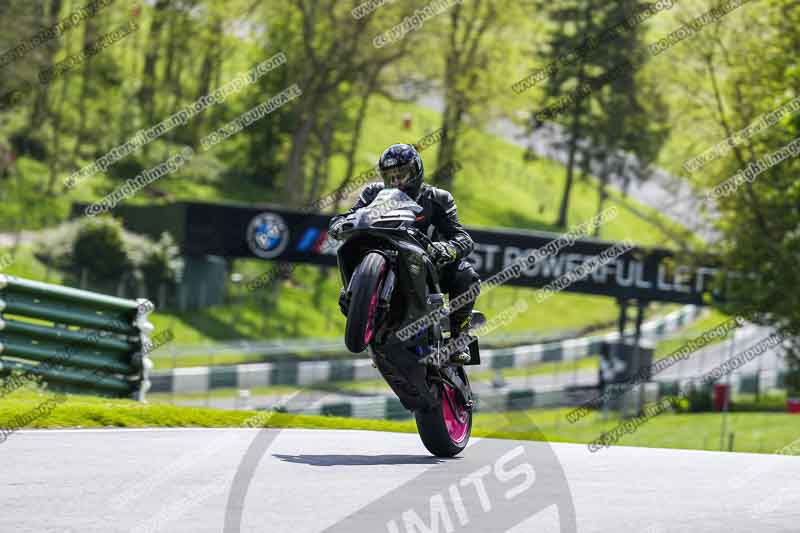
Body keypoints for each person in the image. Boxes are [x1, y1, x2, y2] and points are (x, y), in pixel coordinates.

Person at [329, 143, 479, 364]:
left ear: (416, 171)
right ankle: (367, 312)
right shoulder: (372, 193)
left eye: (402, 174)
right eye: (390, 176)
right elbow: (349, 214)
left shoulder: (437, 198)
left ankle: (459, 341)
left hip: (428, 265)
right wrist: (340, 223)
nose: (397, 181)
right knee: (348, 275)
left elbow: (464, 238)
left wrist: (447, 248)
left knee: (467, 275)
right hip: (379, 251)